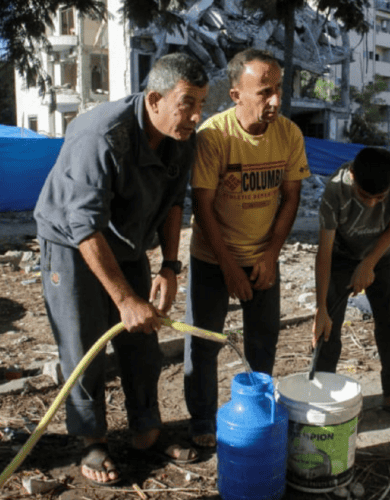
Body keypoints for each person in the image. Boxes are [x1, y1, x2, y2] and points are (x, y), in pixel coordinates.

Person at [33, 53, 209, 486]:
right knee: (84, 342)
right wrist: (125, 298)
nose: (196, 115)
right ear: (154, 99)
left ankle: (146, 429)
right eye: (187, 103)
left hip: (128, 241)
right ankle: (91, 439)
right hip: (73, 244)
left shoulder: (183, 138)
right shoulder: (102, 134)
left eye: (202, 103)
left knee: (143, 339)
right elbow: (84, 227)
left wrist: (169, 268)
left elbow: (172, 205)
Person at [183, 48, 310, 448]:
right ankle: (202, 421)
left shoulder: (289, 133)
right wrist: (228, 267)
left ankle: (257, 412)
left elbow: (291, 197)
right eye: (264, 92)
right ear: (237, 94)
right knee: (203, 342)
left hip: (262, 259)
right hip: (211, 257)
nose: (275, 101)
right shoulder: (214, 137)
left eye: (279, 90)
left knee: (263, 341)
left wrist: (270, 255)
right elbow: (201, 207)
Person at [312, 147, 390, 424]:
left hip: (380, 253)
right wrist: (321, 307)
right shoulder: (335, 191)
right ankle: (320, 396)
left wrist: (369, 263)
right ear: (352, 176)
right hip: (339, 256)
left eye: (380, 197)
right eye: (365, 196)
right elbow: (324, 250)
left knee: (388, 319)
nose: (373, 204)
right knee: (328, 328)